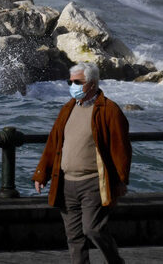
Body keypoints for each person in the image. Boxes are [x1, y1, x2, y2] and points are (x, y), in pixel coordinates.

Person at [32, 62, 131, 264]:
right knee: (74, 237)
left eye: (78, 82)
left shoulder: (108, 110)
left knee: (93, 229)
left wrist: (121, 180)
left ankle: (115, 261)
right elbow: (54, 144)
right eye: (71, 81)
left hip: (93, 182)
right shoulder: (67, 109)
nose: (72, 85)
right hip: (66, 183)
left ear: (92, 84)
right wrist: (42, 174)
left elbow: (121, 147)